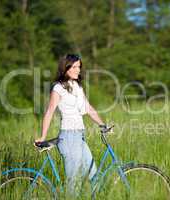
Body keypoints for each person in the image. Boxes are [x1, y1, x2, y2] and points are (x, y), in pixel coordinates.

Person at [35, 54, 106, 197]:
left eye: (79, 66)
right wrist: (43, 136)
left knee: (94, 175)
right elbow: (49, 112)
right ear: (65, 67)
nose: (77, 70)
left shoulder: (77, 86)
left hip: (79, 137)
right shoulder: (58, 88)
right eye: (74, 67)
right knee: (74, 183)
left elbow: (88, 107)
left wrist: (103, 125)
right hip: (68, 137)